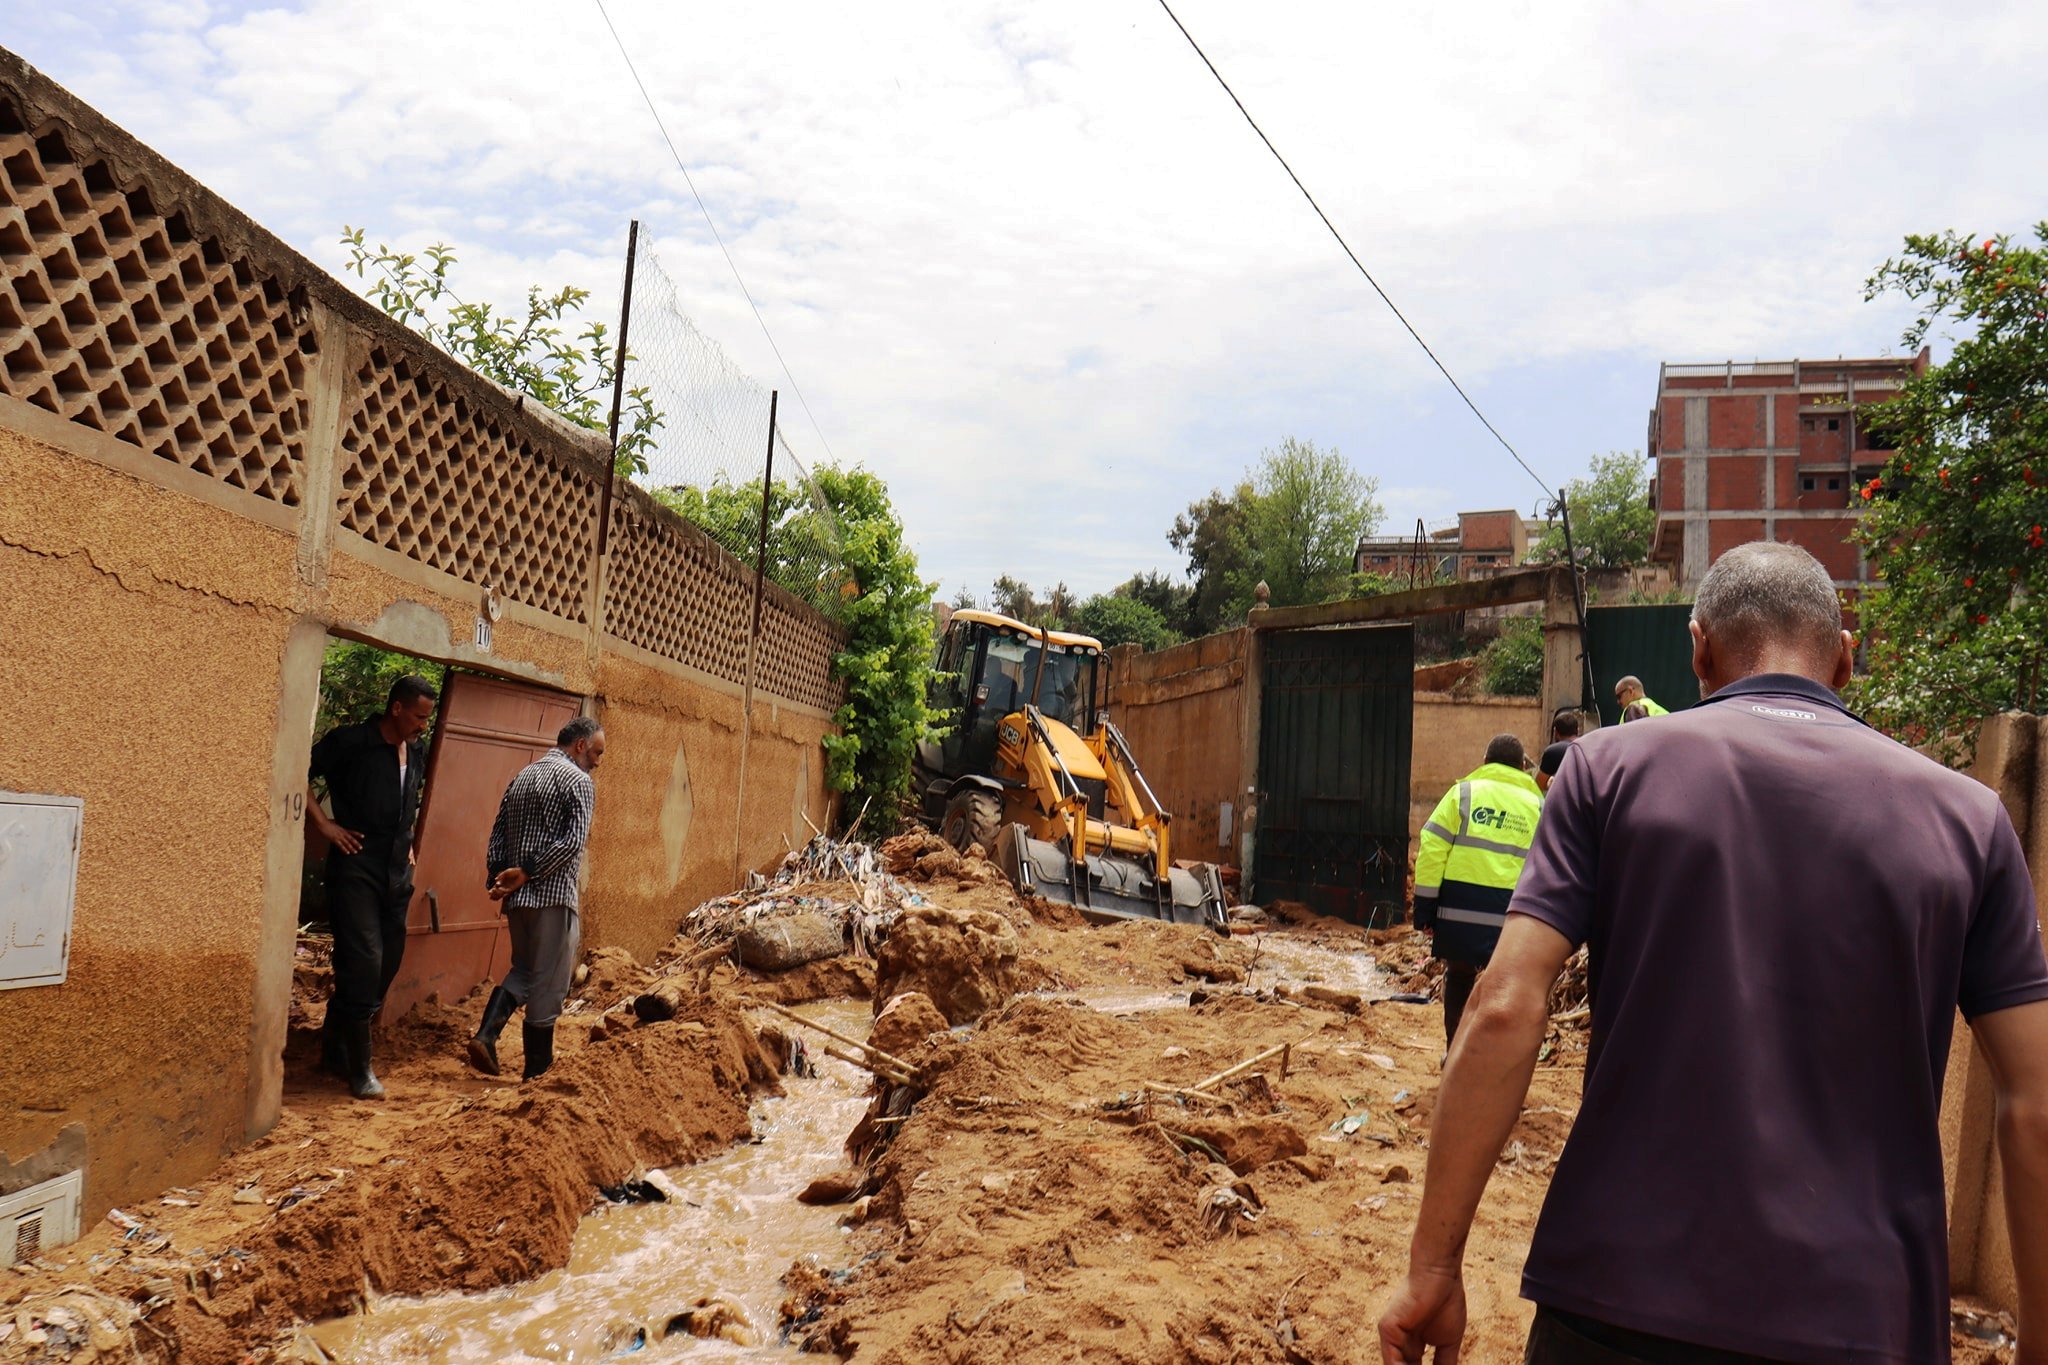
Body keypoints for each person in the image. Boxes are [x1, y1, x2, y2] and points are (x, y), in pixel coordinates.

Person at [1378, 541, 2048, 1365]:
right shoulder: (1971, 821)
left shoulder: (1606, 771)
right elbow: (2034, 1098)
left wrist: (1436, 1263)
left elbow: (1505, 1003)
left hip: (1618, 1305)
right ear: (1846, 658)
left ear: (1697, 647)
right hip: (1865, 1321)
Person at [307, 673, 439, 1101]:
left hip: (395, 872)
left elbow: (408, 803)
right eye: (419, 716)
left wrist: (409, 844)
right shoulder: (352, 742)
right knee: (364, 960)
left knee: (387, 961)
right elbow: (298, 769)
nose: (423, 725)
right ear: (397, 708)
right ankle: (359, 1067)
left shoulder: (416, 750)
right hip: (356, 866)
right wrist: (325, 825)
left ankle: (334, 1042)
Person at [469, 716, 606, 1082]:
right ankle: (537, 1071)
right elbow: (572, 842)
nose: (597, 761)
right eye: (595, 752)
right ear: (579, 746)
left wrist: (498, 878)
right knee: (549, 983)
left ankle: (487, 1035)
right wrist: (528, 871)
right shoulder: (579, 781)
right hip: (552, 895)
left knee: (525, 971)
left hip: (517, 900)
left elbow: (497, 832)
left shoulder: (523, 776)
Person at [1412, 734, 1543, 1048]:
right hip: (1515, 915)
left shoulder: (1464, 793)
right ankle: (1493, 1063)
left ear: (1485, 763)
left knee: (1459, 977)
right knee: (1508, 988)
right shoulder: (1539, 804)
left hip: (1460, 910)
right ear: (1523, 766)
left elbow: (1432, 847)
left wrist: (1425, 910)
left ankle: (1455, 1054)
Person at [1536, 709, 1583, 794]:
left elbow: (1538, 785)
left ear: (1555, 732)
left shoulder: (1553, 751)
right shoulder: (1588, 746)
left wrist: (1550, 783)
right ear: (1577, 730)